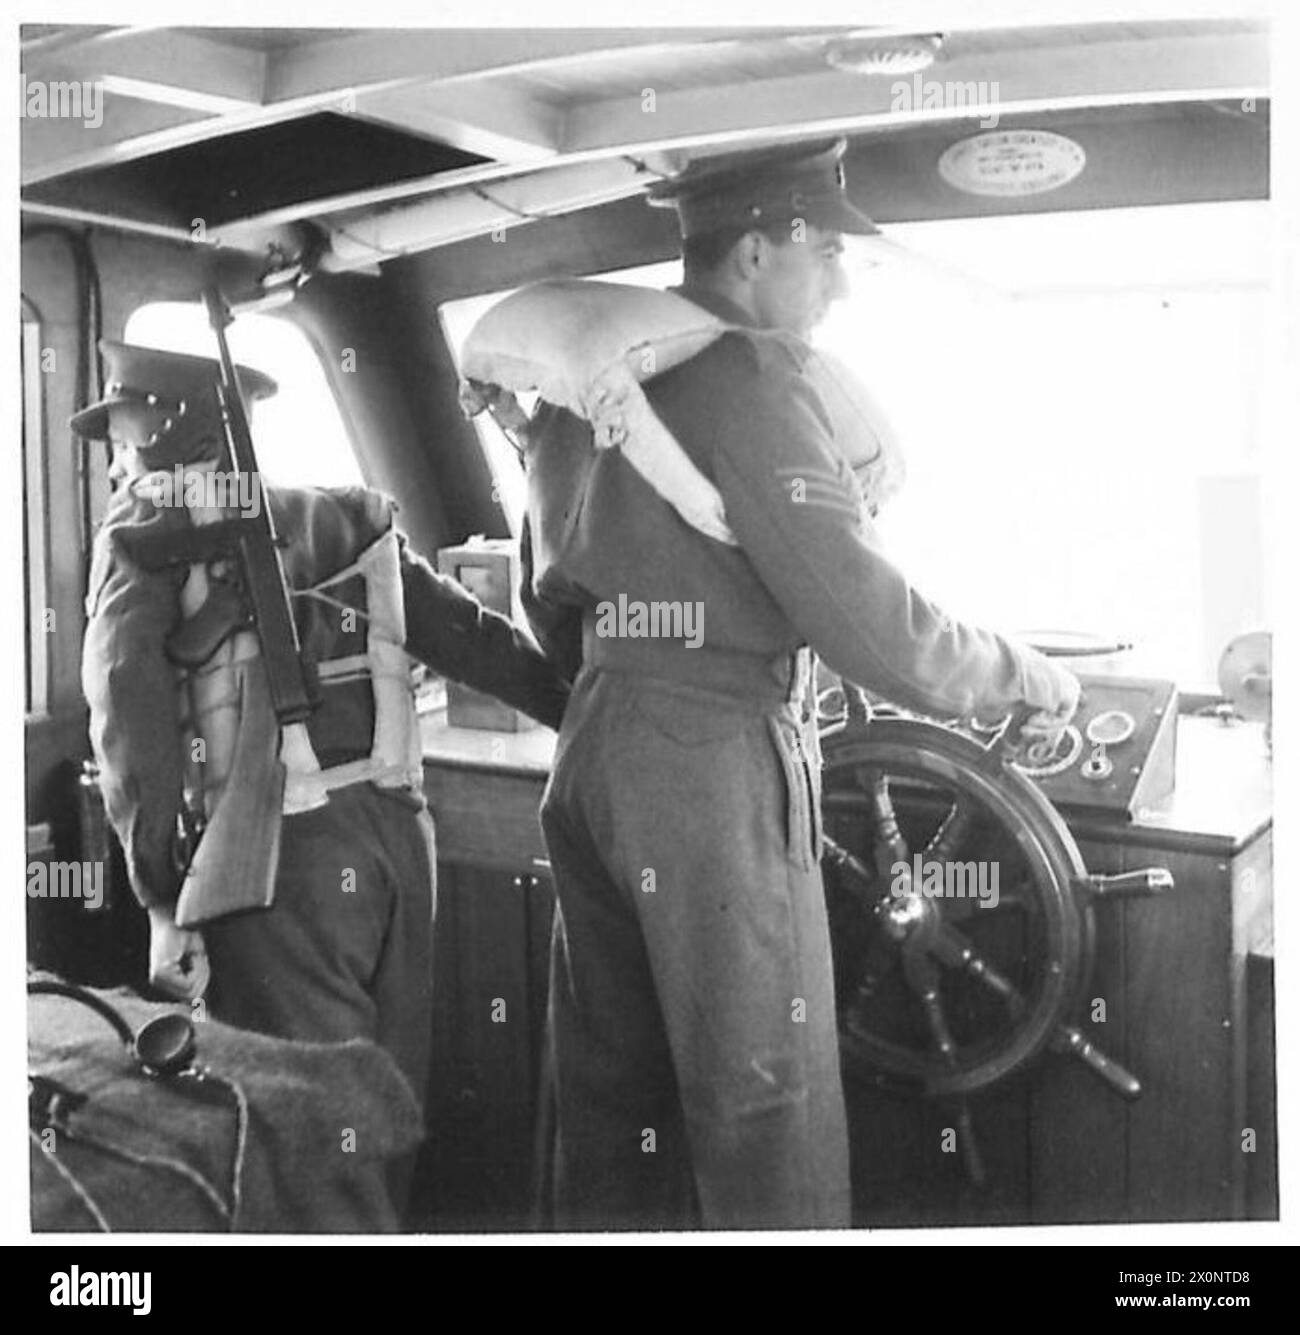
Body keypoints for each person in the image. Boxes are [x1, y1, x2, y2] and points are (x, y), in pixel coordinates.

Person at [515, 138, 1080, 1230]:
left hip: (593, 745)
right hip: (708, 756)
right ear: (759, 250)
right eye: (824, 254)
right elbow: (862, 616)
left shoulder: (585, 380)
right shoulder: (748, 375)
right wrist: (1013, 670)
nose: (836, 286)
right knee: (764, 1102)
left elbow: (550, 602)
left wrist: (623, 689)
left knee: (610, 1097)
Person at [77, 341, 568, 1117]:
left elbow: (126, 710)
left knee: (305, 1123)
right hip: (398, 841)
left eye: (122, 427)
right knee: (388, 1095)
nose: (115, 457)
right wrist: (583, 713)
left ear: (153, 429)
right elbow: (471, 637)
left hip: (270, 860)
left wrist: (159, 884)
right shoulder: (341, 514)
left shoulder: (140, 534)